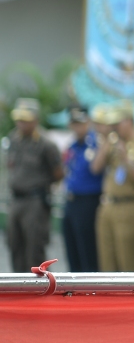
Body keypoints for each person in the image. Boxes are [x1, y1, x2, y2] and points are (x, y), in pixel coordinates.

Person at [92, 101, 134, 271]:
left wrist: (126, 159)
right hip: (108, 206)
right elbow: (95, 168)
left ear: (129, 121)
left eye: (117, 123)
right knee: (107, 264)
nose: (114, 128)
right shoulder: (112, 143)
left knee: (129, 263)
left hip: (130, 206)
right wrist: (106, 144)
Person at [5, 98, 63, 272]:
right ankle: (19, 285)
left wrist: (41, 186)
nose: (21, 123)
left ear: (35, 120)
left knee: (34, 249)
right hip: (16, 200)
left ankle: (40, 286)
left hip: (35, 201)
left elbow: (58, 173)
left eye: (25, 119)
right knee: (14, 245)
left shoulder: (46, 144)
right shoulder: (14, 139)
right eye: (19, 119)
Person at [62, 105, 104, 272]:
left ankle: (90, 285)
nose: (76, 127)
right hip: (71, 200)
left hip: (88, 201)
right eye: (74, 123)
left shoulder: (95, 144)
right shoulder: (72, 145)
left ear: (88, 122)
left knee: (88, 251)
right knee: (72, 250)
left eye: (80, 123)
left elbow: (95, 169)